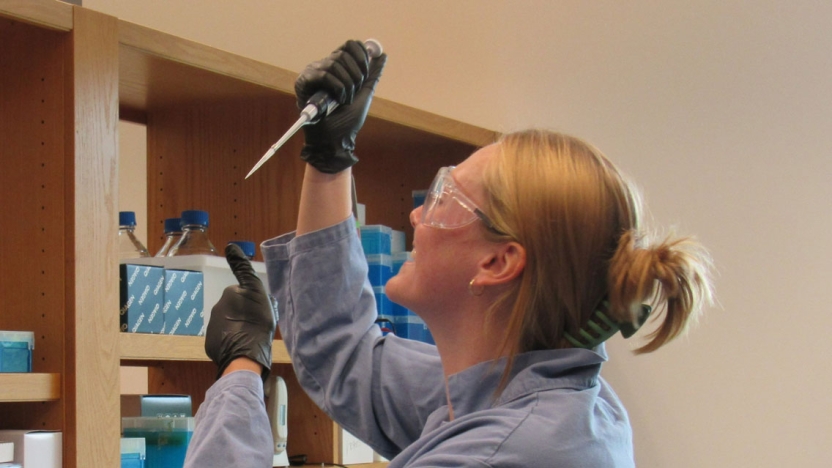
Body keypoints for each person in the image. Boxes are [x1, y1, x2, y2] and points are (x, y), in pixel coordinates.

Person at [185, 40, 714, 467]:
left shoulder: (504, 454)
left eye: (445, 200)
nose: (417, 216)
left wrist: (237, 378)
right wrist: (329, 158)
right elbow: (345, 355)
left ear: (498, 262)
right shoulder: (532, 395)